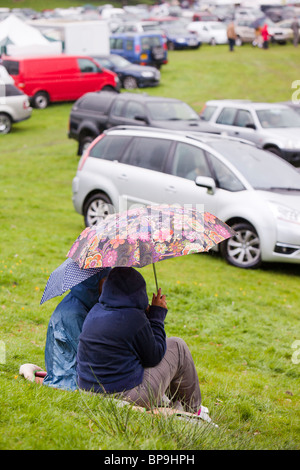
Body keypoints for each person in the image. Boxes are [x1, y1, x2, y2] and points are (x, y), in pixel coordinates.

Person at [76, 267, 202, 415]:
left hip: (88, 392)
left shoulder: (96, 311)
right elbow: (154, 357)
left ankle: (174, 401)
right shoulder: (134, 319)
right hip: (125, 396)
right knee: (177, 346)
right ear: (138, 291)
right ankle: (194, 411)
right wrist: (157, 317)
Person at [19, 269, 110, 390]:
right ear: (93, 281)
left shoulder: (84, 302)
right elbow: (85, 354)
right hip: (68, 375)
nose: (109, 286)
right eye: (106, 281)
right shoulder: (74, 312)